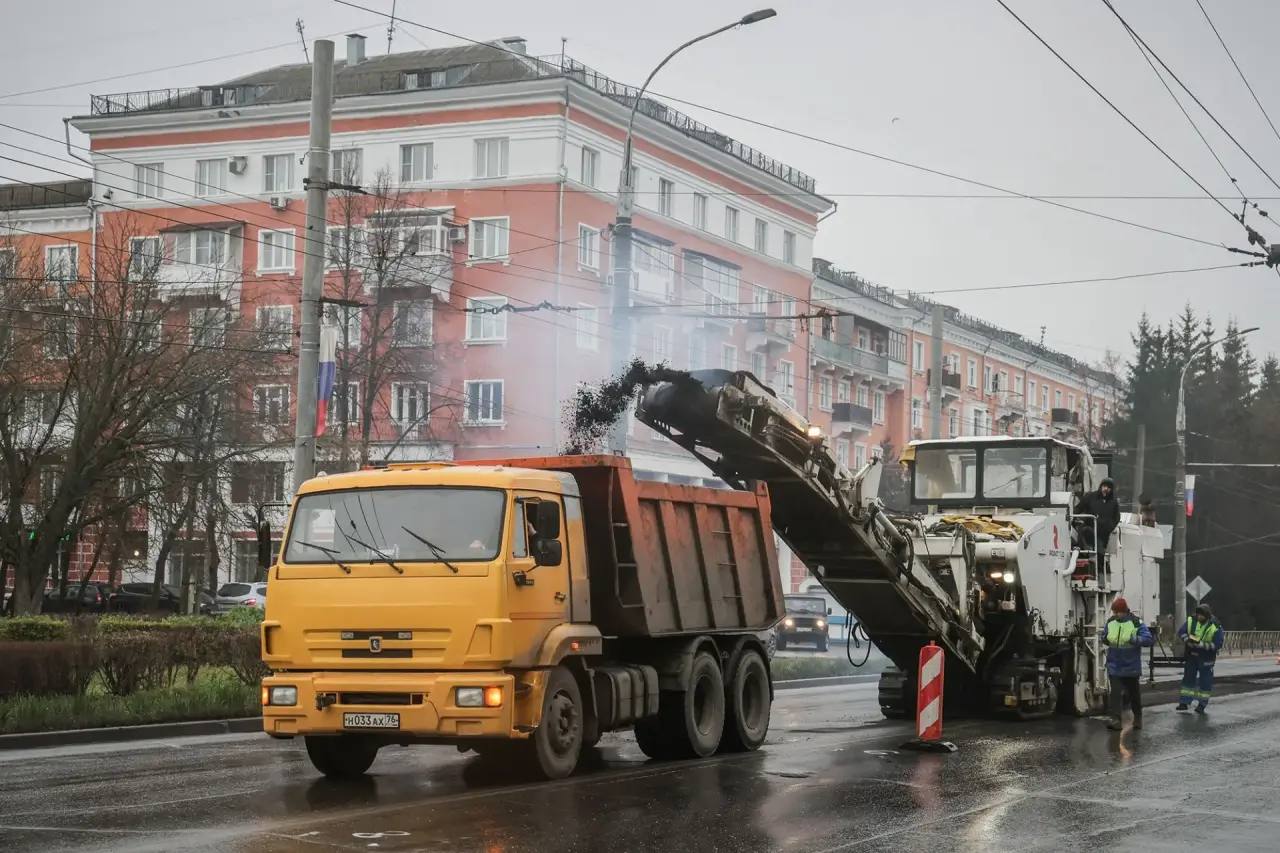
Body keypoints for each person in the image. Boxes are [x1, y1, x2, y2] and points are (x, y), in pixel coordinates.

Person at [1100, 596, 1154, 730]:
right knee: (1116, 693)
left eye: (1117, 612)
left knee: (1134, 694)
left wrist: (1134, 639)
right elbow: (1105, 636)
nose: (1115, 614)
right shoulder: (1111, 621)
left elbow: (1148, 639)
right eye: (1114, 612)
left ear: (1124, 611)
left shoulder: (1136, 622)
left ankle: (1138, 718)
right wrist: (1105, 639)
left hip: (1131, 666)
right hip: (1115, 665)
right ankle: (1116, 720)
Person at [1177, 603, 1225, 713]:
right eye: (1198, 615)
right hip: (1192, 655)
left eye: (1201, 616)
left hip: (1206, 657)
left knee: (1205, 681)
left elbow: (1217, 644)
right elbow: (1182, 632)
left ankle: (1202, 704)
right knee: (1188, 678)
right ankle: (1184, 702)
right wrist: (1187, 640)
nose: (1199, 617)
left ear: (1207, 616)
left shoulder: (1215, 626)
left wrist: (1201, 645)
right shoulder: (1191, 620)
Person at [1078, 477, 1122, 568]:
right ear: (1101, 486)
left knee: (1100, 546)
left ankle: (1101, 564)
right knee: (1087, 532)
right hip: (1090, 528)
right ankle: (1100, 563)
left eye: (1109, 487)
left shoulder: (1114, 502)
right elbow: (1079, 508)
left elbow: (1116, 517)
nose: (1106, 489)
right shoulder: (1090, 497)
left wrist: (1109, 527)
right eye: (1104, 486)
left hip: (1104, 533)